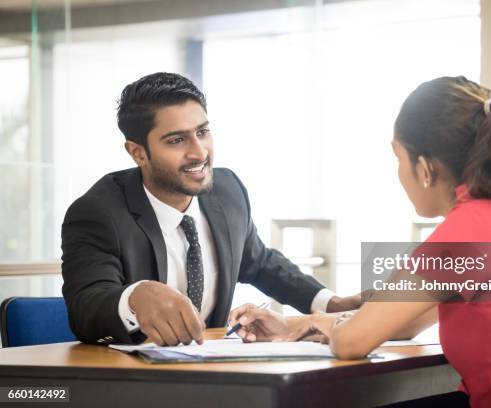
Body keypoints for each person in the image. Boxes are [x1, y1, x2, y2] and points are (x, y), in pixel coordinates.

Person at [229, 76, 491, 407]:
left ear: (426, 168)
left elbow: (353, 342)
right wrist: (298, 325)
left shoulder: (464, 235)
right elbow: (404, 323)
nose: (398, 173)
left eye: (398, 158)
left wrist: (323, 326)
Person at [61, 72, 360, 346]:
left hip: (213, 371)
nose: (199, 152)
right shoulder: (98, 212)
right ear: (138, 152)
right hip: (131, 382)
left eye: (202, 132)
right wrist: (134, 298)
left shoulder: (227, 190)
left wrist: (330, 304)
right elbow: (86, 307)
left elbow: (260, 263)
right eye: (177, 140)